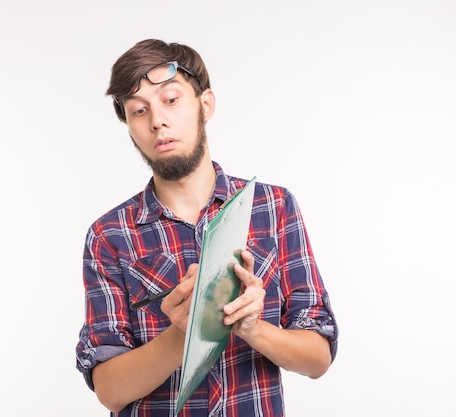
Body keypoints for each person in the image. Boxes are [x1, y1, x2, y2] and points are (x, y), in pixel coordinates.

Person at [76, 38, 338, 416]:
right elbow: (110, 391)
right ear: (130, 126)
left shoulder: (274, 207)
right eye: (138, 110)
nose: (157, 121)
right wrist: (182, 333)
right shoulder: (110, 235)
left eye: (171, 100)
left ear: (206, 104)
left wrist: (252, 326)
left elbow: (318, 357)